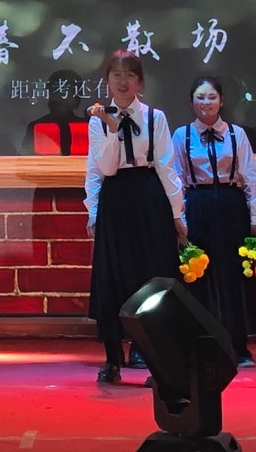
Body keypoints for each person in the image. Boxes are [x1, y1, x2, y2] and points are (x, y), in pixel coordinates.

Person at [85, 50, 187, 384]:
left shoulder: (156, 117)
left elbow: (167, 167)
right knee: (114, 276)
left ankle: (154, 358)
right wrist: (112, 129)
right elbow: (102, 169)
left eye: (130, 75)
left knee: (152, 277)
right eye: (116, 75)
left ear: (140, 82)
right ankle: (112, 359)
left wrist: (177, 213)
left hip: (149, 196)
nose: (123, 81)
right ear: (107, 81)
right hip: (115, 198)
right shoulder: (98, 120)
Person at [174, 76, 256, 367]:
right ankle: (204, 345)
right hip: (197, 205)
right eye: (200, 97)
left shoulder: (237, 134)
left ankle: (240, 346)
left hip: (230, 205)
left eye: (211, 97)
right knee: (200, 276)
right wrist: (180, 220)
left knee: (234, 275)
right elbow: (177, 180)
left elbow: (250, 177)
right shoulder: (182, 135)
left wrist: (255, 216)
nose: (206, 103)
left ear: (221, 101)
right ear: (191, 102)